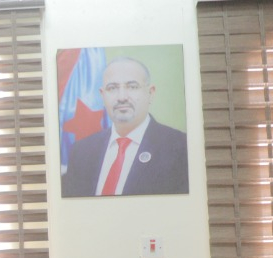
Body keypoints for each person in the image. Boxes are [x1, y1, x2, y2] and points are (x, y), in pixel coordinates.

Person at [62, 56, 189, 197]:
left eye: (132, 87)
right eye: (112, 88)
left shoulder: (180, 148)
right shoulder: (81, 151)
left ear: (150, 93)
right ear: (102, 95)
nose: (122, 97)